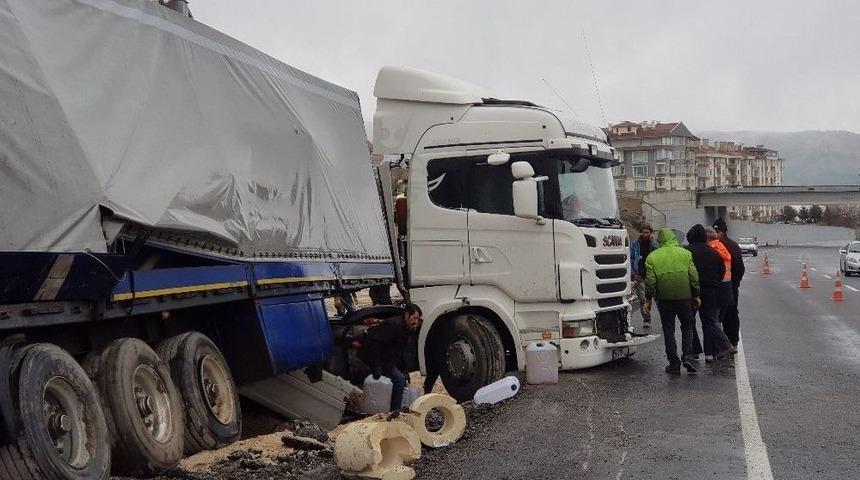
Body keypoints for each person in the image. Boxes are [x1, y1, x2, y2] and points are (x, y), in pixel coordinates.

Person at [644, 228, 701, 375]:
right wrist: (696, 295)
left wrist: (648, 299)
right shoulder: (686, 253)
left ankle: (674, 364)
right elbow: (693, 278)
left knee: (669, 330)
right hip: (684, 298)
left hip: (664, 299)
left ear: (660, 240)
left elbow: (650, 282)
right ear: (674, 238)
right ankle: (687, 356)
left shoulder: (652, 257)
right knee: (688, 326)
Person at [355, 303, 423, 411]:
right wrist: (376, 366)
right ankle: (395, 411)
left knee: (400, 378)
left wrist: (404, 369)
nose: (416, 322)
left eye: (418, 319)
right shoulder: (394, 325)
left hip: (387, 358)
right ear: (406, 315)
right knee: (399, 380)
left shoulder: (405, 328)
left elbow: (399, 351)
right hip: (376, 357)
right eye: (414, 318)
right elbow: (374, 343)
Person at [686, 225, 735, 362]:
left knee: (690, 321)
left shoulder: (686, 252)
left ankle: (694, 350)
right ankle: (712, 352)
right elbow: (721, 272)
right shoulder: (714, 252)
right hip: (710, 292)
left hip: (692, 292)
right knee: (709, 322)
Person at [713, 218, 745, 346]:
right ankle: (726, 342)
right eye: (715, 231)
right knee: (721, 316)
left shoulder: (731, 246)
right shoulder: (715, 245)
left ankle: (731, 341)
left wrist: (735, 283)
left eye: (718, 231)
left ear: (724, 232)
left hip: (728, 286)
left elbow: (739, 267)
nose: (716, 234)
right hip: (722, 286)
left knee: (728, 314)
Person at [630, 225, 659, 328]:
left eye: (647, 232)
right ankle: (647, 319)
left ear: (651, 233)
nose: (645, 234)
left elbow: (658, 255)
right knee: (643, 299)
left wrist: (653, 242)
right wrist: (633, 274)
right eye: (643, 232)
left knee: (658, 299)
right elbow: (630, 259)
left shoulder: (654, 244)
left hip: (653, 276)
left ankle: (664, 319)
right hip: (640, 276)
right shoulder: (634, 244)